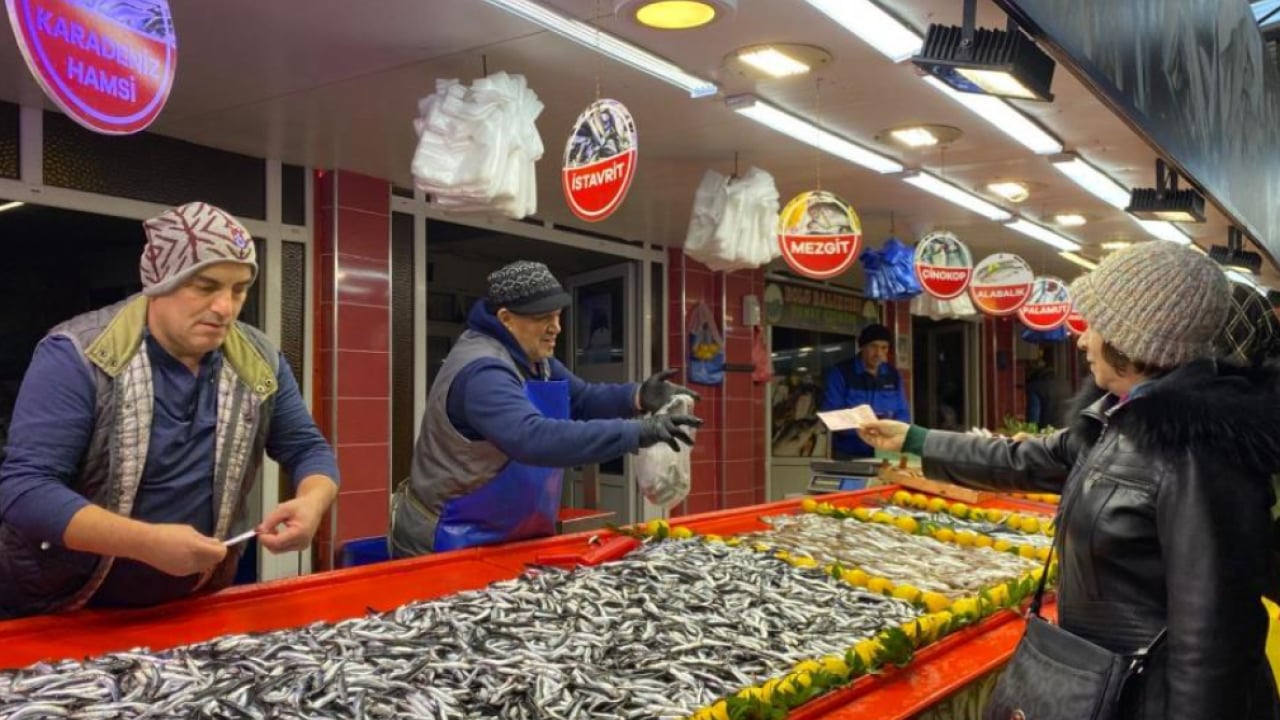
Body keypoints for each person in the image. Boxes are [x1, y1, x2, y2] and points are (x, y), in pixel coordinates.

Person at [856, 242, 1280, 720]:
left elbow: (1213, 641)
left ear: (1135, 339)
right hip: (1106, 687)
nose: (1081, 339)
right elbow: (1024, 459)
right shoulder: (1121, 422)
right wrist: (915, 439)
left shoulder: (1198, 453)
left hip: (1148, 701)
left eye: (1095, 324)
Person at [0, 202, 339, 619]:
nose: (225, 308)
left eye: (238, 289)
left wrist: (312, 502)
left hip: (191, 601)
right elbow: (26, 491)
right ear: (159, 283)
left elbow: (306, 448)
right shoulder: (77, 356)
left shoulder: (258, 359)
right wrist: (144, 543)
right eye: (205, 286)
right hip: (62, 605)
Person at [390, 260, 701, 556]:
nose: (556, 328)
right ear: (506, 318)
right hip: (449, 535)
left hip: (507, 533)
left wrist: (639, 396)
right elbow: (532, 438)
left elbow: (580, 399)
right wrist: (636, 432)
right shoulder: (483, 370)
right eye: (542, 318)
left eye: (557, 315)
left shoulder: (537, 360)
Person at [821, 323, 909, 459]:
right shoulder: (840, 373)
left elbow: (903, 413)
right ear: (862, 346)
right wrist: (867, 432)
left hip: (886, 453)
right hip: (848, 454)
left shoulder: (893, 375)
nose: (878, 353)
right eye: (873, 346)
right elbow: (832, 415)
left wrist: (894, 432)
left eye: (884, 348)